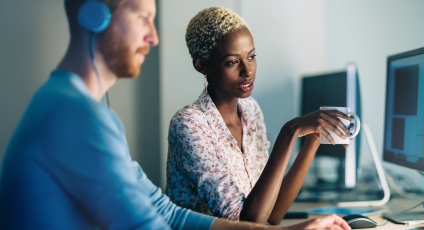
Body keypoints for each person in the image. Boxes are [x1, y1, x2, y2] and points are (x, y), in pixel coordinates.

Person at [0, 0, 349, 229]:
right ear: (95, 15)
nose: (153, 37)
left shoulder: (80, 110)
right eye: (142, 17)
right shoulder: (73, 117)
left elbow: (166, 213)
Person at [165, 7, 351, 225]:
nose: (248, 70)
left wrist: (313, 141)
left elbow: (273, 214)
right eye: (233, 62)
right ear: (201, 65)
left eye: (251, 57)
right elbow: (247, 223)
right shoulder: (189, 125)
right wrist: (289, 133)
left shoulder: (250, 110)